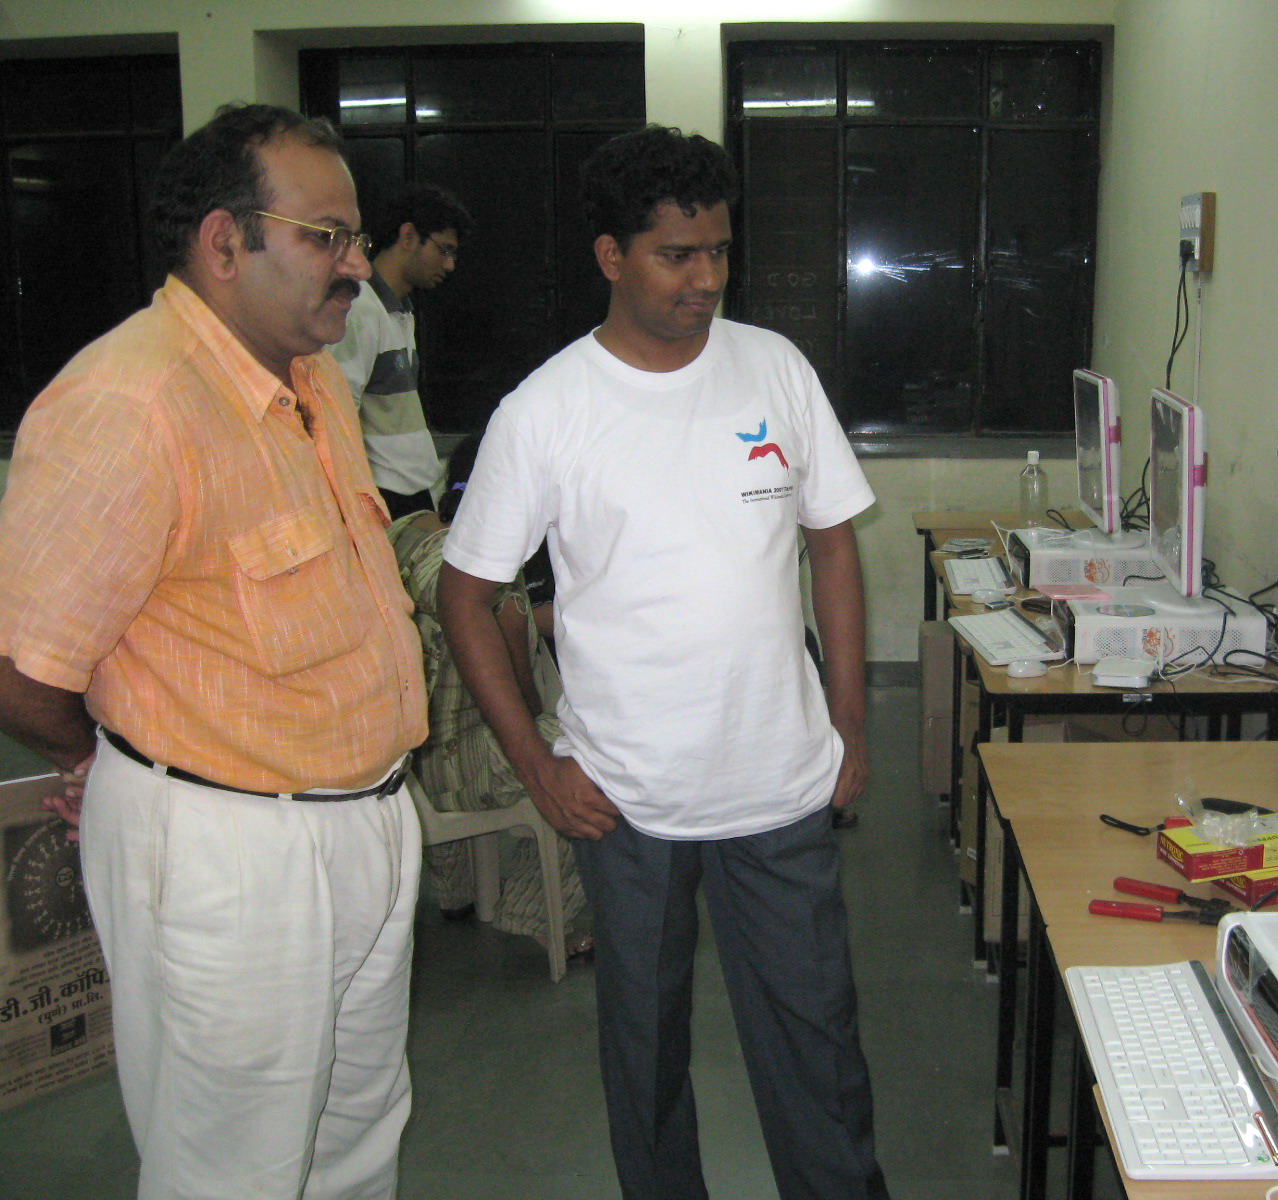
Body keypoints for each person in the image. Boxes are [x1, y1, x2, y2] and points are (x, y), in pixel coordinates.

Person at [437, 125, 890, 1200]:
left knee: (819, 1052)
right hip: (627, 801)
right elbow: (467, 594)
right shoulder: (545, 412)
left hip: (781, 786)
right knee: (643, 1058)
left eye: (720, 252)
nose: (706, 279)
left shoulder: (771, 366)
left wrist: (851, 726)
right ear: (609, 256)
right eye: (676, 256)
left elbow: (831, 540)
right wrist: (537, 769)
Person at [0, 103, 427, 1200]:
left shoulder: (309, 380)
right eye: (323, 236)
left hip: (367, 820)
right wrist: (112, 758)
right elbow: (23, 666)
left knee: (356, 1140)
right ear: (224, 242)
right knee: (232, 1170)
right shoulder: (129, 402)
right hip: (233, 853)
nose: (353, 265)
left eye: (356, 237)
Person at [388, 434, 591, 972]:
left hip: (399, 761)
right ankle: (530, 912)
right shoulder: (488, 578)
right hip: (458, 768)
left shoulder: (401, 532)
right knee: (598, 763)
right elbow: (520, 702)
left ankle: (457, 892)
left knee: (449, 715)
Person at [332, 182, 471, 518]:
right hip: (384, 498)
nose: (450, 265)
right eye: (444, 250)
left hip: (414, 491)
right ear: (408, 237)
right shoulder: (359, 309)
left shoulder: (400, 310)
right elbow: (338, 417)